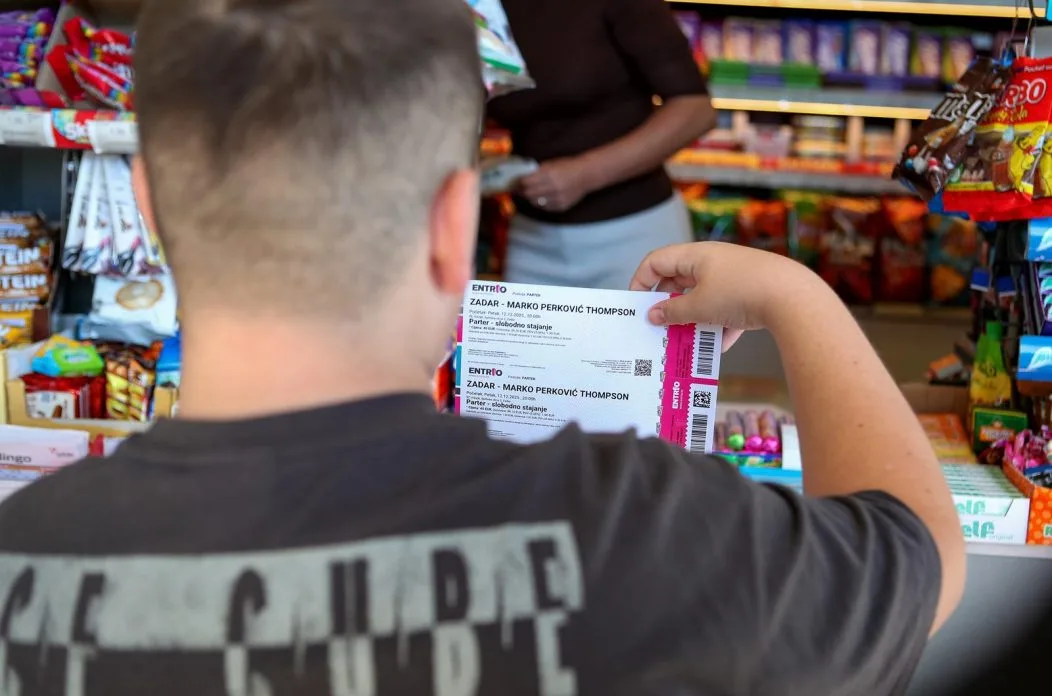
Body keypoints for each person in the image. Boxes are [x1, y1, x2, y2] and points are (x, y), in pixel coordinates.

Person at [0, 1, 964, 694]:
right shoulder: (639, 530)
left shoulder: (23, 557)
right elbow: (919, 558)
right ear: (453, 222)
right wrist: (798, 294)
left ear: (150, 207)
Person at [487, 0, 716, 290]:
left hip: (635, 237)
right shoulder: (480, 7)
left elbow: (696, 109)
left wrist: (585, 173)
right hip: (531, 238)